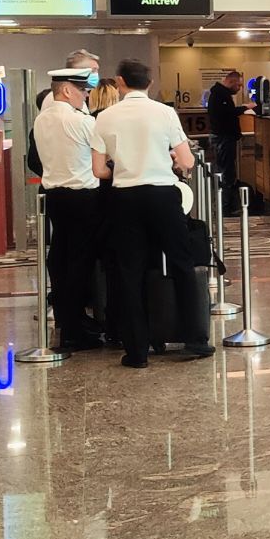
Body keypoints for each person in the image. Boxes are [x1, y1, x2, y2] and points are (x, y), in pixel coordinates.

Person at [90, 59, 212, 368]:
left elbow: (98, 170)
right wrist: (169, 162)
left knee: (129, 272)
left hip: (125, 197)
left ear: (120, 82)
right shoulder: (165, 112)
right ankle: (194, 339)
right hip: (162, 196)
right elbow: (187, 161)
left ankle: (137, 351)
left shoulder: (104, 117)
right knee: (182, 263)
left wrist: (121, 165)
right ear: (150, 83)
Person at [33, 69, 106, 350]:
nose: (86, 94)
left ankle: (68, 320)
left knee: (61, 261)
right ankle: (75, 331)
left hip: (55, 196)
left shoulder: (42, 119)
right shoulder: (79, 121)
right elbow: (105, 152)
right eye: (82, 90)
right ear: (66, 90)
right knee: (80, 264)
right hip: (83, 198)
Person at [205, 69, 245, 214]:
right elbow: (227, 114)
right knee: (226, 172)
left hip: (222, 137)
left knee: (224, 170)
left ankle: (225, 205)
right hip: (224, 138)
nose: (239, 88)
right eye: (238, 85)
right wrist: (245, 108)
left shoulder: (218, 94)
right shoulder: (221, 96)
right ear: (231, 81)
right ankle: (225, 206)